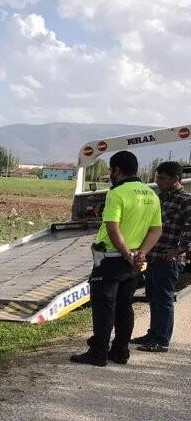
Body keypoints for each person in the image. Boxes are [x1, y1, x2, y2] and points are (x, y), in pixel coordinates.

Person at [71, 150, 162, 367]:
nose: (111, 174)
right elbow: (156, 230)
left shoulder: (117, 193)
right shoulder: (151, 194)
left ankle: (98, 352)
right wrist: (140, 254)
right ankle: (120, 352)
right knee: (124, 306)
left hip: (111, 259)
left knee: (104, 307)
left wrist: (126, 254)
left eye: (111, 170)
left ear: (117, 170)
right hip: (134, 263)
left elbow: (113, 228)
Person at [133, 161, 191, 352]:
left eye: (162, 178)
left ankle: (162, 340)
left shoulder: (184, 200)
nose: (158, 181)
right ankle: (153, 334)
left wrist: (179, 250)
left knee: (164, 299)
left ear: (176, 179)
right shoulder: (161, 198)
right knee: (153, 297)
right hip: (154, 256)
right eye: (157, 177)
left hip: (169, 259)